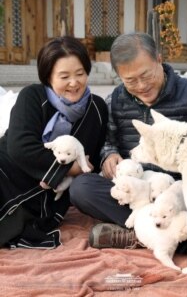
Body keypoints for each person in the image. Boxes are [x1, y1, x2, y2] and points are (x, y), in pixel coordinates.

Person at [69, 32, 187, 249]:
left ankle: (138, 235)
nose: (141, 85)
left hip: (181, 193)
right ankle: (172, 237)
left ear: (159, 60)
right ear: (118, 76)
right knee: (81, 188)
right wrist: (109, 155)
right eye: (130, 80)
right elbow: (107, 141)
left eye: (146, 75)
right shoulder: (114, 101)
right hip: (137, 189)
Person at [0, 36, 108, 249]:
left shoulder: (97, 108)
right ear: (48, 76)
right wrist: (70, 167)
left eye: (80, 73)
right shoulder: (32, 96)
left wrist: (80, 168)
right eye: (64, 76)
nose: (74, 83)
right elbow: (20, 147)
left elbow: (92, 158)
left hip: (48, 196)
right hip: (8, 170)